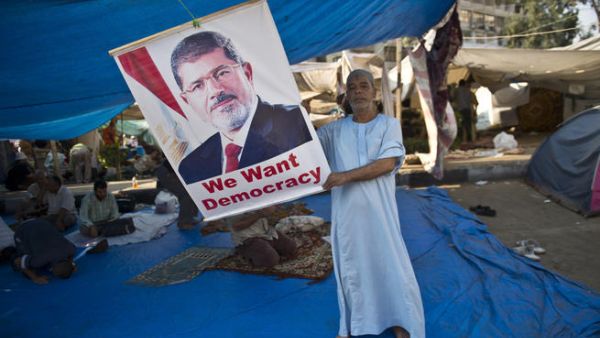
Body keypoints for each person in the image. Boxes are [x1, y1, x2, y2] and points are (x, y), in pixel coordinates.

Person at [317, 69, 425, 338]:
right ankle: (358, 324)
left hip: (381, 215)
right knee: (353, 271)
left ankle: (403, 322)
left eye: (364, 85)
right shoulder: (333, 130)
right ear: (346, 94)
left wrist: (344, 176)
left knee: (392, 268)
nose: (358, 91)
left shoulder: (389, 125)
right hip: (347, 218)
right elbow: (305, 151)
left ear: (374, 92)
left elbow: (387, 164)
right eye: (352, 87)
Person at [171, 31, 313, 184]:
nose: (215, 90)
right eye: (198, 86)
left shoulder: (296, 122)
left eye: (222, 73)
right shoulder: (191, 167)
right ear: (187, 101)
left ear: (247, 73)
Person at [228, 206, 296, 267]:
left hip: (266, 231)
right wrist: (260, 214)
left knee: (290, 248)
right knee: (270, 260)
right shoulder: (232, 203)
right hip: (246, 238)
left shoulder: (258, 196)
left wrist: (273, 211)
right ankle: (245, 253)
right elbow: (237, 226)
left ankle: (267, 248)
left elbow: (272, 218)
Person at [156, 159, 199, 229]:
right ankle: (184, 222)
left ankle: (190, 217)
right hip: (168, 172)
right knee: (185, 194)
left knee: (192, 191)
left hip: (175, 170)